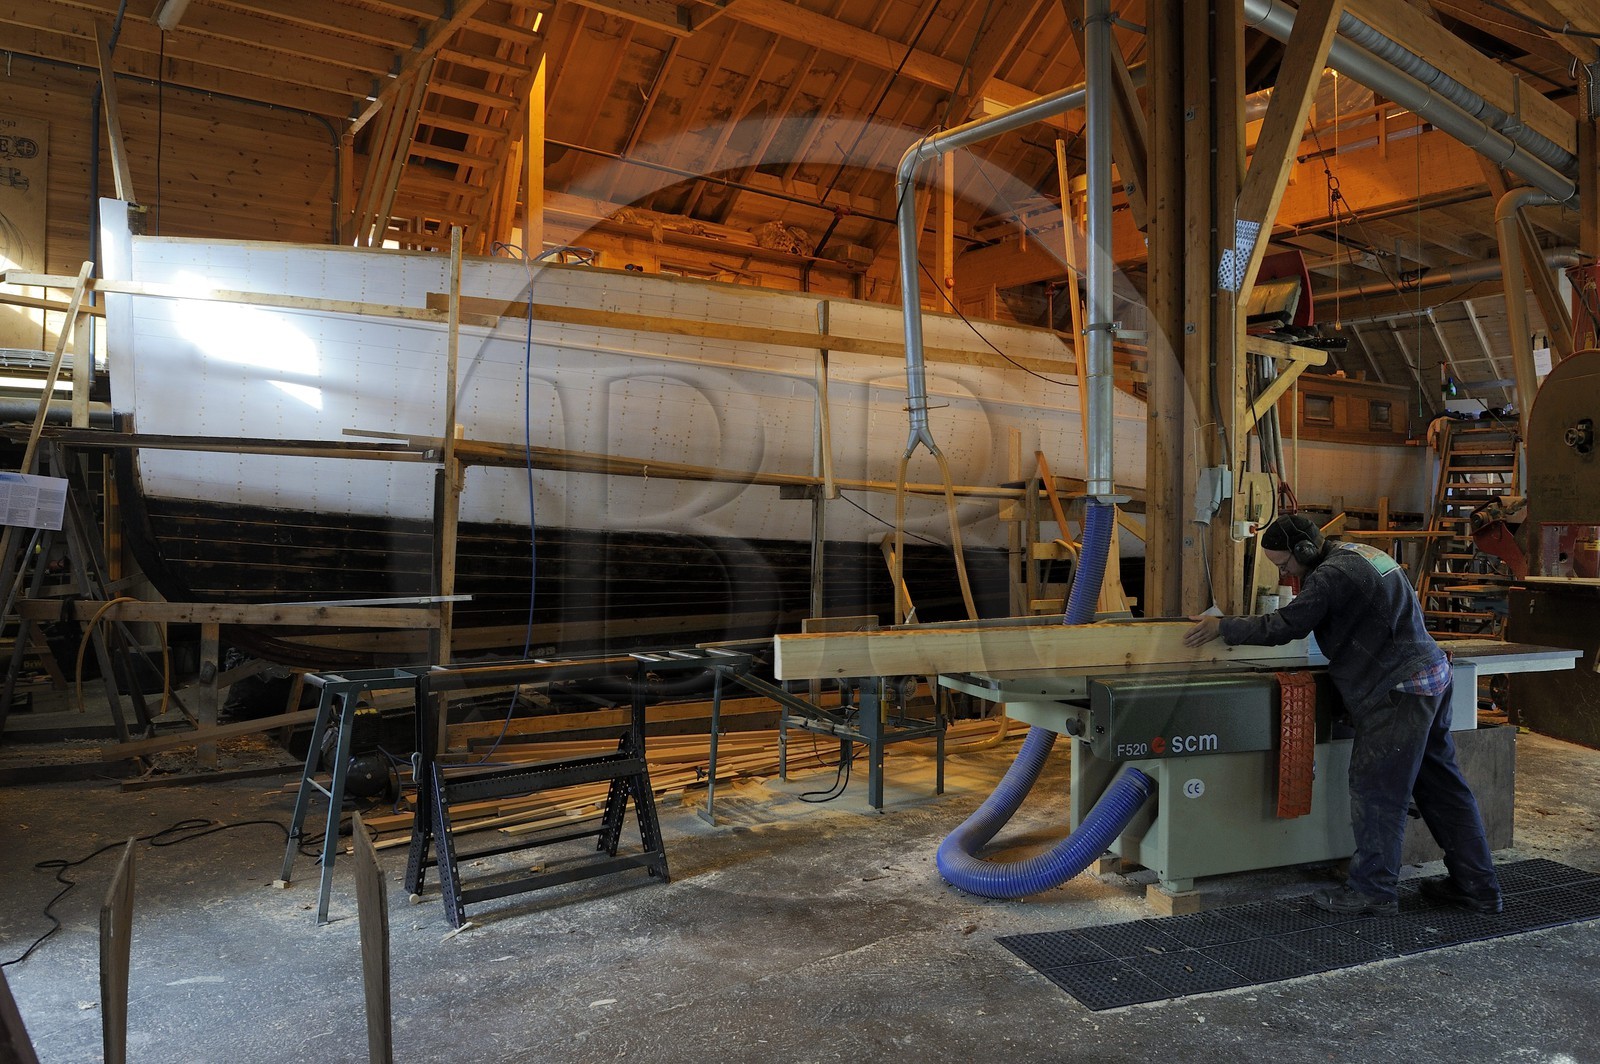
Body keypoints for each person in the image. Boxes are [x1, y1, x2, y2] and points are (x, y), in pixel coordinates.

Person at [1183, 513, 1503, 917]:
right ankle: (1477, 887)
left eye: (1285, 566)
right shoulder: (1361, 552)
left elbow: (1286, 626)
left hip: (1398, 689)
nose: (1285, 575)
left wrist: (1223, 627)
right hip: (1432, 676)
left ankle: (1373, 891)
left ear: (1304, 551)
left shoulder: (1331, 575)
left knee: (1377, 792)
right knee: (1443, 788)